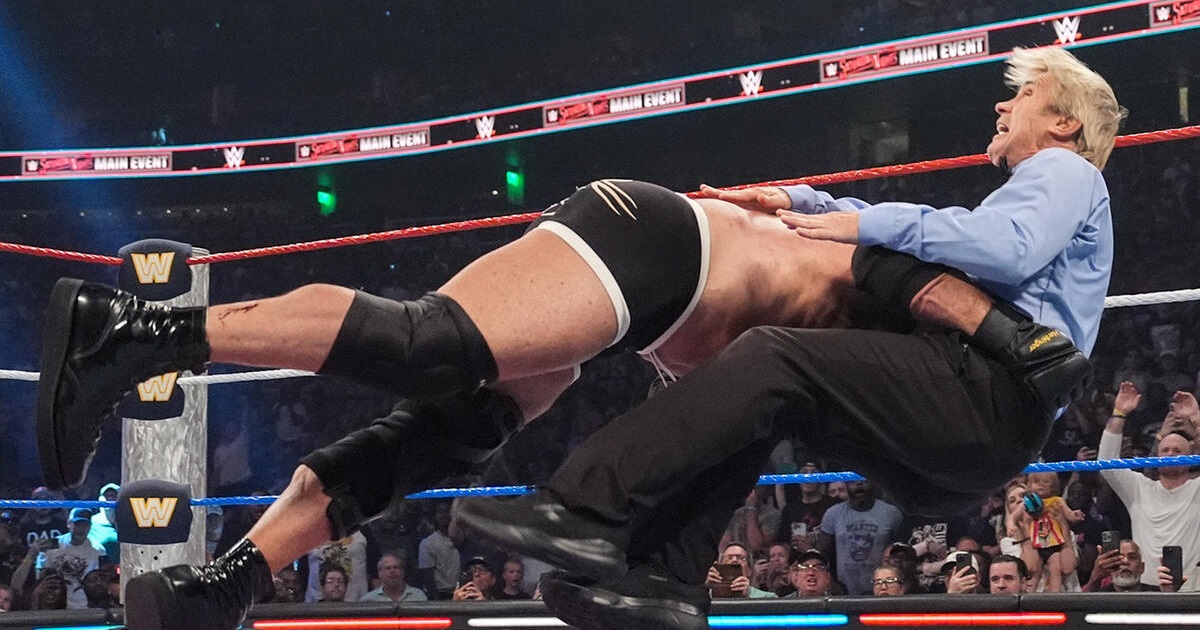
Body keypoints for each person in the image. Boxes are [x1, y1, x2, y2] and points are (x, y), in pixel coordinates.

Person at [39, 161, 1067, 628]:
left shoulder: (837, 379)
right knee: (433, 344)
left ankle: (222, 586)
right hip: (663, 247)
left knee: (459, 423)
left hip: (662, 307)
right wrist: (1025, 346)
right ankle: (133, 331)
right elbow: (947, 268)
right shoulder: (923, 286)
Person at [454, 46, 1123, 630]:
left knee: (772, 355)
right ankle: (667, 581)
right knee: (764, 394)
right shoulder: (1038, 191)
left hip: (984, 394)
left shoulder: (1066, 171)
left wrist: (859, 223)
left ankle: (584, 510)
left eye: (1023, 95)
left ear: (1064, 123)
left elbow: (1002, 248)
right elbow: (951, 243)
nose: (1002, 107)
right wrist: (806, 202)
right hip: (963, 431)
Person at [1099, 382, 1200, 591]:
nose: (1170, 455)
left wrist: (1196, 418)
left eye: (1177, 451)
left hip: (1192, 592)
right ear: (1156, 455)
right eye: (1165, 450)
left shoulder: (1196, 489)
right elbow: (1106, 463)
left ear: (1190, 458)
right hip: (1146, 593)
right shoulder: (1139, 489)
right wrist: (1119, 413)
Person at [36, 508, 106, 609]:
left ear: (90, 526)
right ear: (69, 524)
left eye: (85, 525)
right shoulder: (52, 545)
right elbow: (41, 577)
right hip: (56, 605)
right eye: (78, 524)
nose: (81, 529)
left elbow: (101, 583)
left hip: (85, 605)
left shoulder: (98, 549)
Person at [360, 553, 427, 602]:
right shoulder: (368, 600)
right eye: (388, 568)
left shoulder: (418, 596)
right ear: (380, 573)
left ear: (403, 572)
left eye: (396, 567)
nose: (392, 571)